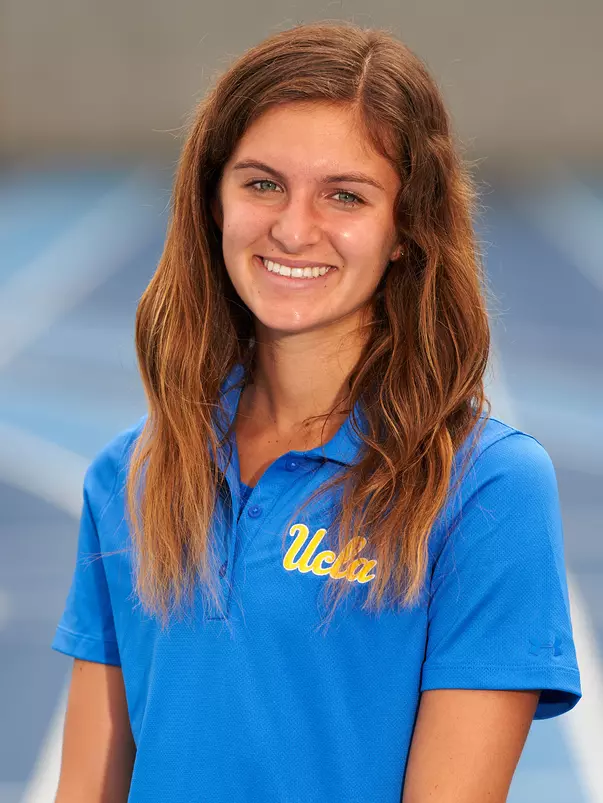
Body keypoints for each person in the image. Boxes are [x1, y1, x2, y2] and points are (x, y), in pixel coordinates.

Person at [51, 20, 581, 803]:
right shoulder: (130, 473)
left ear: (404, 228)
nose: (293, 228)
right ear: (213, 201)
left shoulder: (485, 488)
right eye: (261, 184)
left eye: (344, 195)